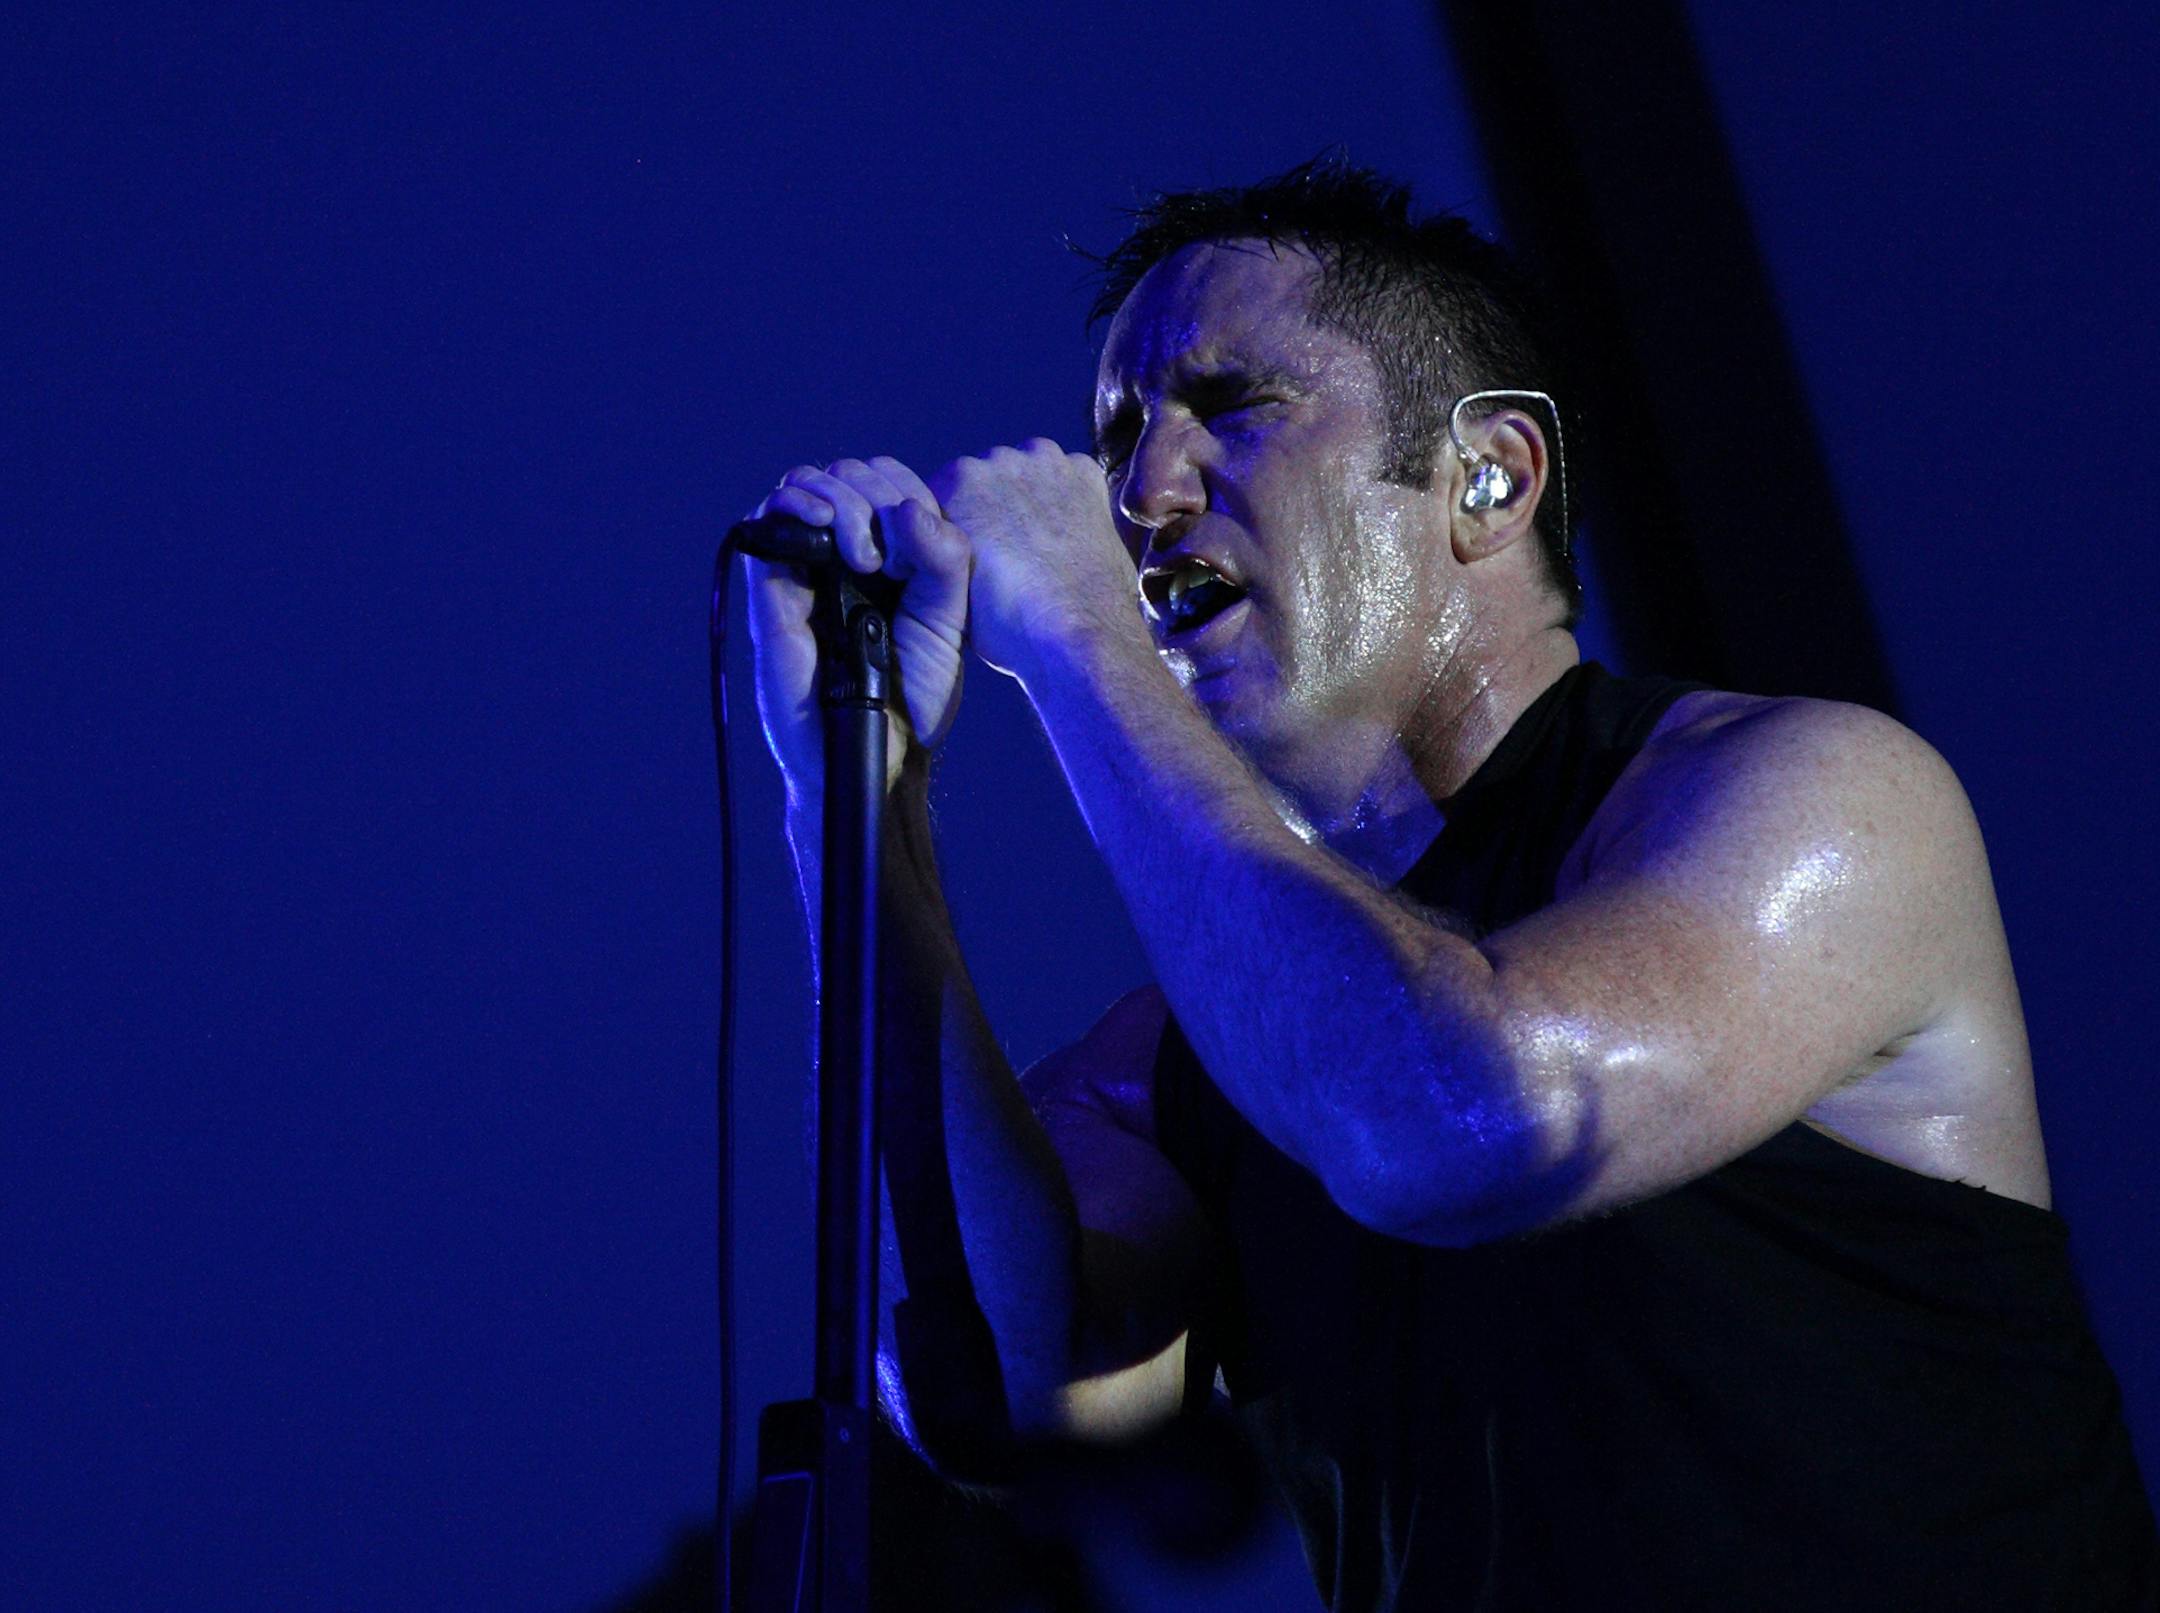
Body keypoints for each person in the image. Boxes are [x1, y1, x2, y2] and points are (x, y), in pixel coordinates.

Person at [739, 158, 2159, 1610]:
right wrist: (853, 795)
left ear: (1488, 477)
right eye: (1117, 448)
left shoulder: (1815, 801)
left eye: (1230, 407)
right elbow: (1008, 1389)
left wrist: (1090, 647)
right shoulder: (1184, 1065)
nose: (1142, 497)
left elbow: (1468, 1117)